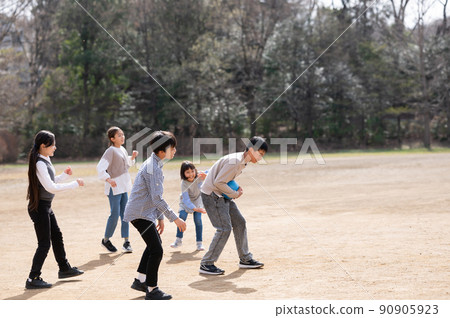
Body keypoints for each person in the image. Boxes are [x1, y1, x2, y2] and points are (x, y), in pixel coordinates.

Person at [124, 131, 187, 300]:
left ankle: (140, 280)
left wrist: (159, 217)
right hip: (140, 213)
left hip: (143, 212)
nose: (175, 151)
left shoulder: (155, 163)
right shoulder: (153, 167)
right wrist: (175, 218)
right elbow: (157, 198)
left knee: (154, 245)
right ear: (161, 151)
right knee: (157, 250)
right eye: (172, 148)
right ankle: (152, 289)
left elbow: (154, 197)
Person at [199, 136, 268, 275]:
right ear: (250, 150)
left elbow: (222, 177)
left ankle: (245, 259)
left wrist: (234, 188)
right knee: (224, 228)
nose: (260, 157)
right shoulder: (236, 161)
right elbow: (219, 182)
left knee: (239, 222)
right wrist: (235, 194)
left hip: (221, 194)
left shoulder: (241, 161)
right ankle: (206, 263)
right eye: (259, 154)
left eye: (262, 155)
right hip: (212, 195)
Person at [25, 130, 85, 289]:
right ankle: (33, 278)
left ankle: (64, 269)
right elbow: (51, 187)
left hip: (45, 207)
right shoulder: (39, 163)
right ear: (44, 146)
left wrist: (64, 176)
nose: (55, 147)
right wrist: (74, 184)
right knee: (44, 244)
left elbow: (50, 181)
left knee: (57, 236)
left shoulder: (43, 159)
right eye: (53, 145)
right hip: (39, 208)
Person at [97, 127, 138, 253]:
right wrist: (108, 179)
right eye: (119, 135)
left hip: (123, 187)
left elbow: (126, 165)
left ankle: (126, 242)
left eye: (123, 134)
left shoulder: (122, 149)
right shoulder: (110, 151)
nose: (122, 137)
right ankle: (105, 240)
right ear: (112, 138)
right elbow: (100, 168)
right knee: (114, 215)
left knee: (125, 215)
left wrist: (132, 158)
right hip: (114, 189)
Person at [170, 161, 207, 251]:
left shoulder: (200, 176)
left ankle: (199, 243)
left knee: (198, 220)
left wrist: (207, 176)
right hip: (186, 202)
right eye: (187, 172)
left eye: (192, 171)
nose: (191, 174)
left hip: (197, 200)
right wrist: (195, 208)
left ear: (195, 170)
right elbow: (186, 200)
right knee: (182, 217)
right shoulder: (184, 183)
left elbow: (212, 171)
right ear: (183, 174)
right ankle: (178, 240)